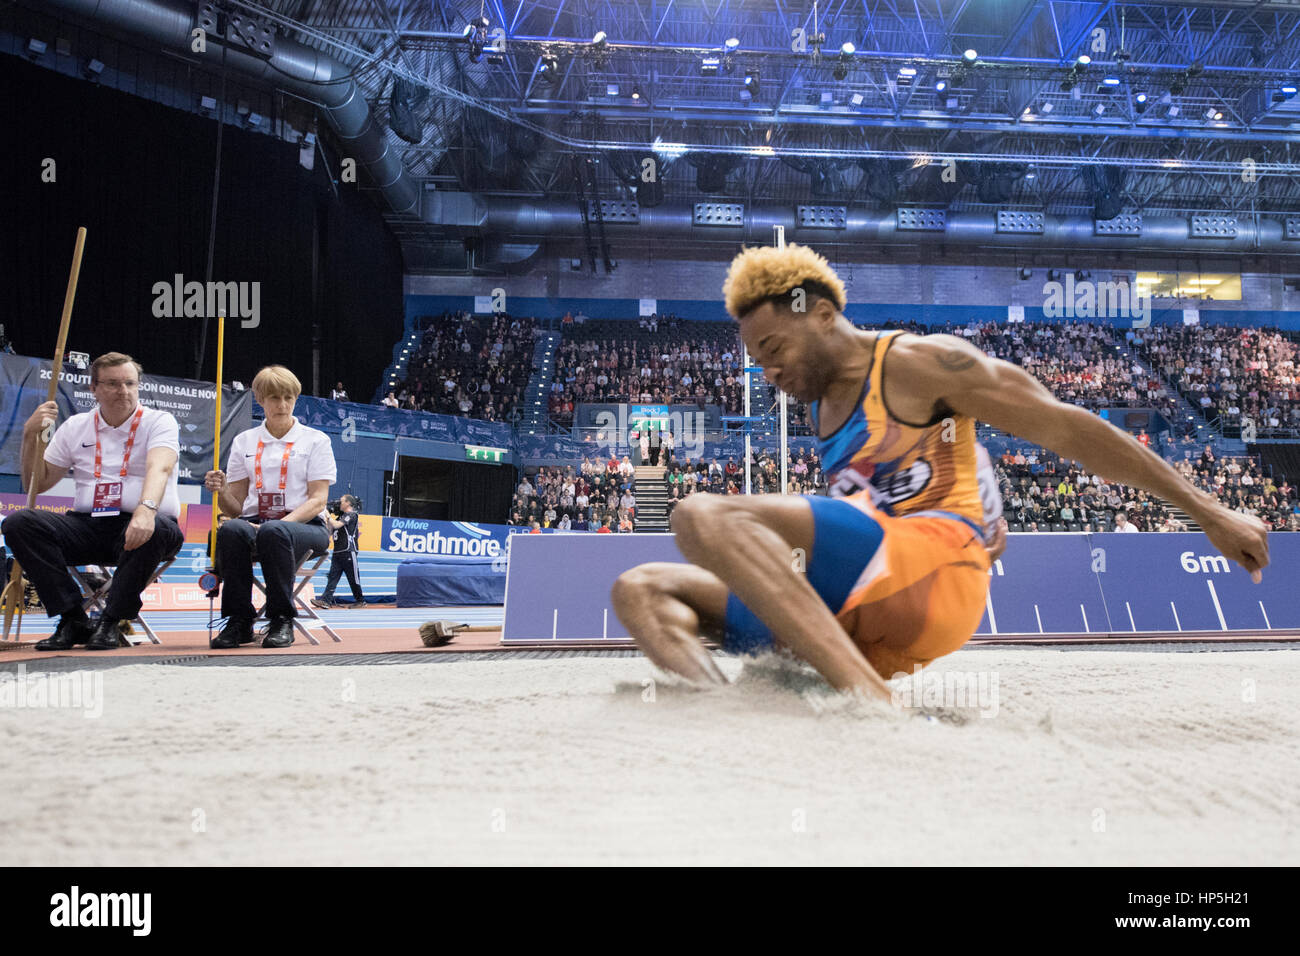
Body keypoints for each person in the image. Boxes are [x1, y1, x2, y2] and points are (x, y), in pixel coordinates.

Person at [610, 243, 1267, 698]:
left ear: (822, 313)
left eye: (774, 348)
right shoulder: (823, 411)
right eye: (758, 360)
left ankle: (867, 702)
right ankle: (724, 704)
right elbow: (864, 509)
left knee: (699, 513)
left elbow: (1068, 427)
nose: (769, 371)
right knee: (640, 588)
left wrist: (1209, 511)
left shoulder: (919, 364)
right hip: (873, 600)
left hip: (938, 575)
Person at [2, 353, 184, 651]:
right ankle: (72, 618)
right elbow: (38, 482)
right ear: (94, 388)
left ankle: (112, 621)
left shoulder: (159, 421)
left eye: (129, 383)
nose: (123, 391)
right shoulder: (75, 426)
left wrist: (145, 509)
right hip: (88, 525)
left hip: (147, 524)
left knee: (156, 528)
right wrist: (28, 436)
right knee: (20, 522)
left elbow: (159, 468)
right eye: (112, 384)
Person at [205, 366, 337, 649]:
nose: (283, 404)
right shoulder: (244, 442)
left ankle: (281, 618)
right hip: (255, 523)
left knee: (273, 532)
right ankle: (239, 621)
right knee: (230, 530)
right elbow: (235, 507)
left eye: (289, 397)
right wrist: (222, 490)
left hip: (307, 527)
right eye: (275, 398)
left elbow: (318, 500)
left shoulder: (316, 440)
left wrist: (278, 524)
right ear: (260, 399)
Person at [312, 494, 367, 609]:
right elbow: (330, 531)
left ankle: (361, 601)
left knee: (353, 578)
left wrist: (327, 515)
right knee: (333, 577)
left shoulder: (351, 515)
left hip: (348, 551)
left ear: (348, 503)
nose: (339, 503)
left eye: (341, 501)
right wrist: (326, 519)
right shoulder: (340, 517)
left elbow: (337, 525)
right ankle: (326, 600)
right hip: (338, 552)